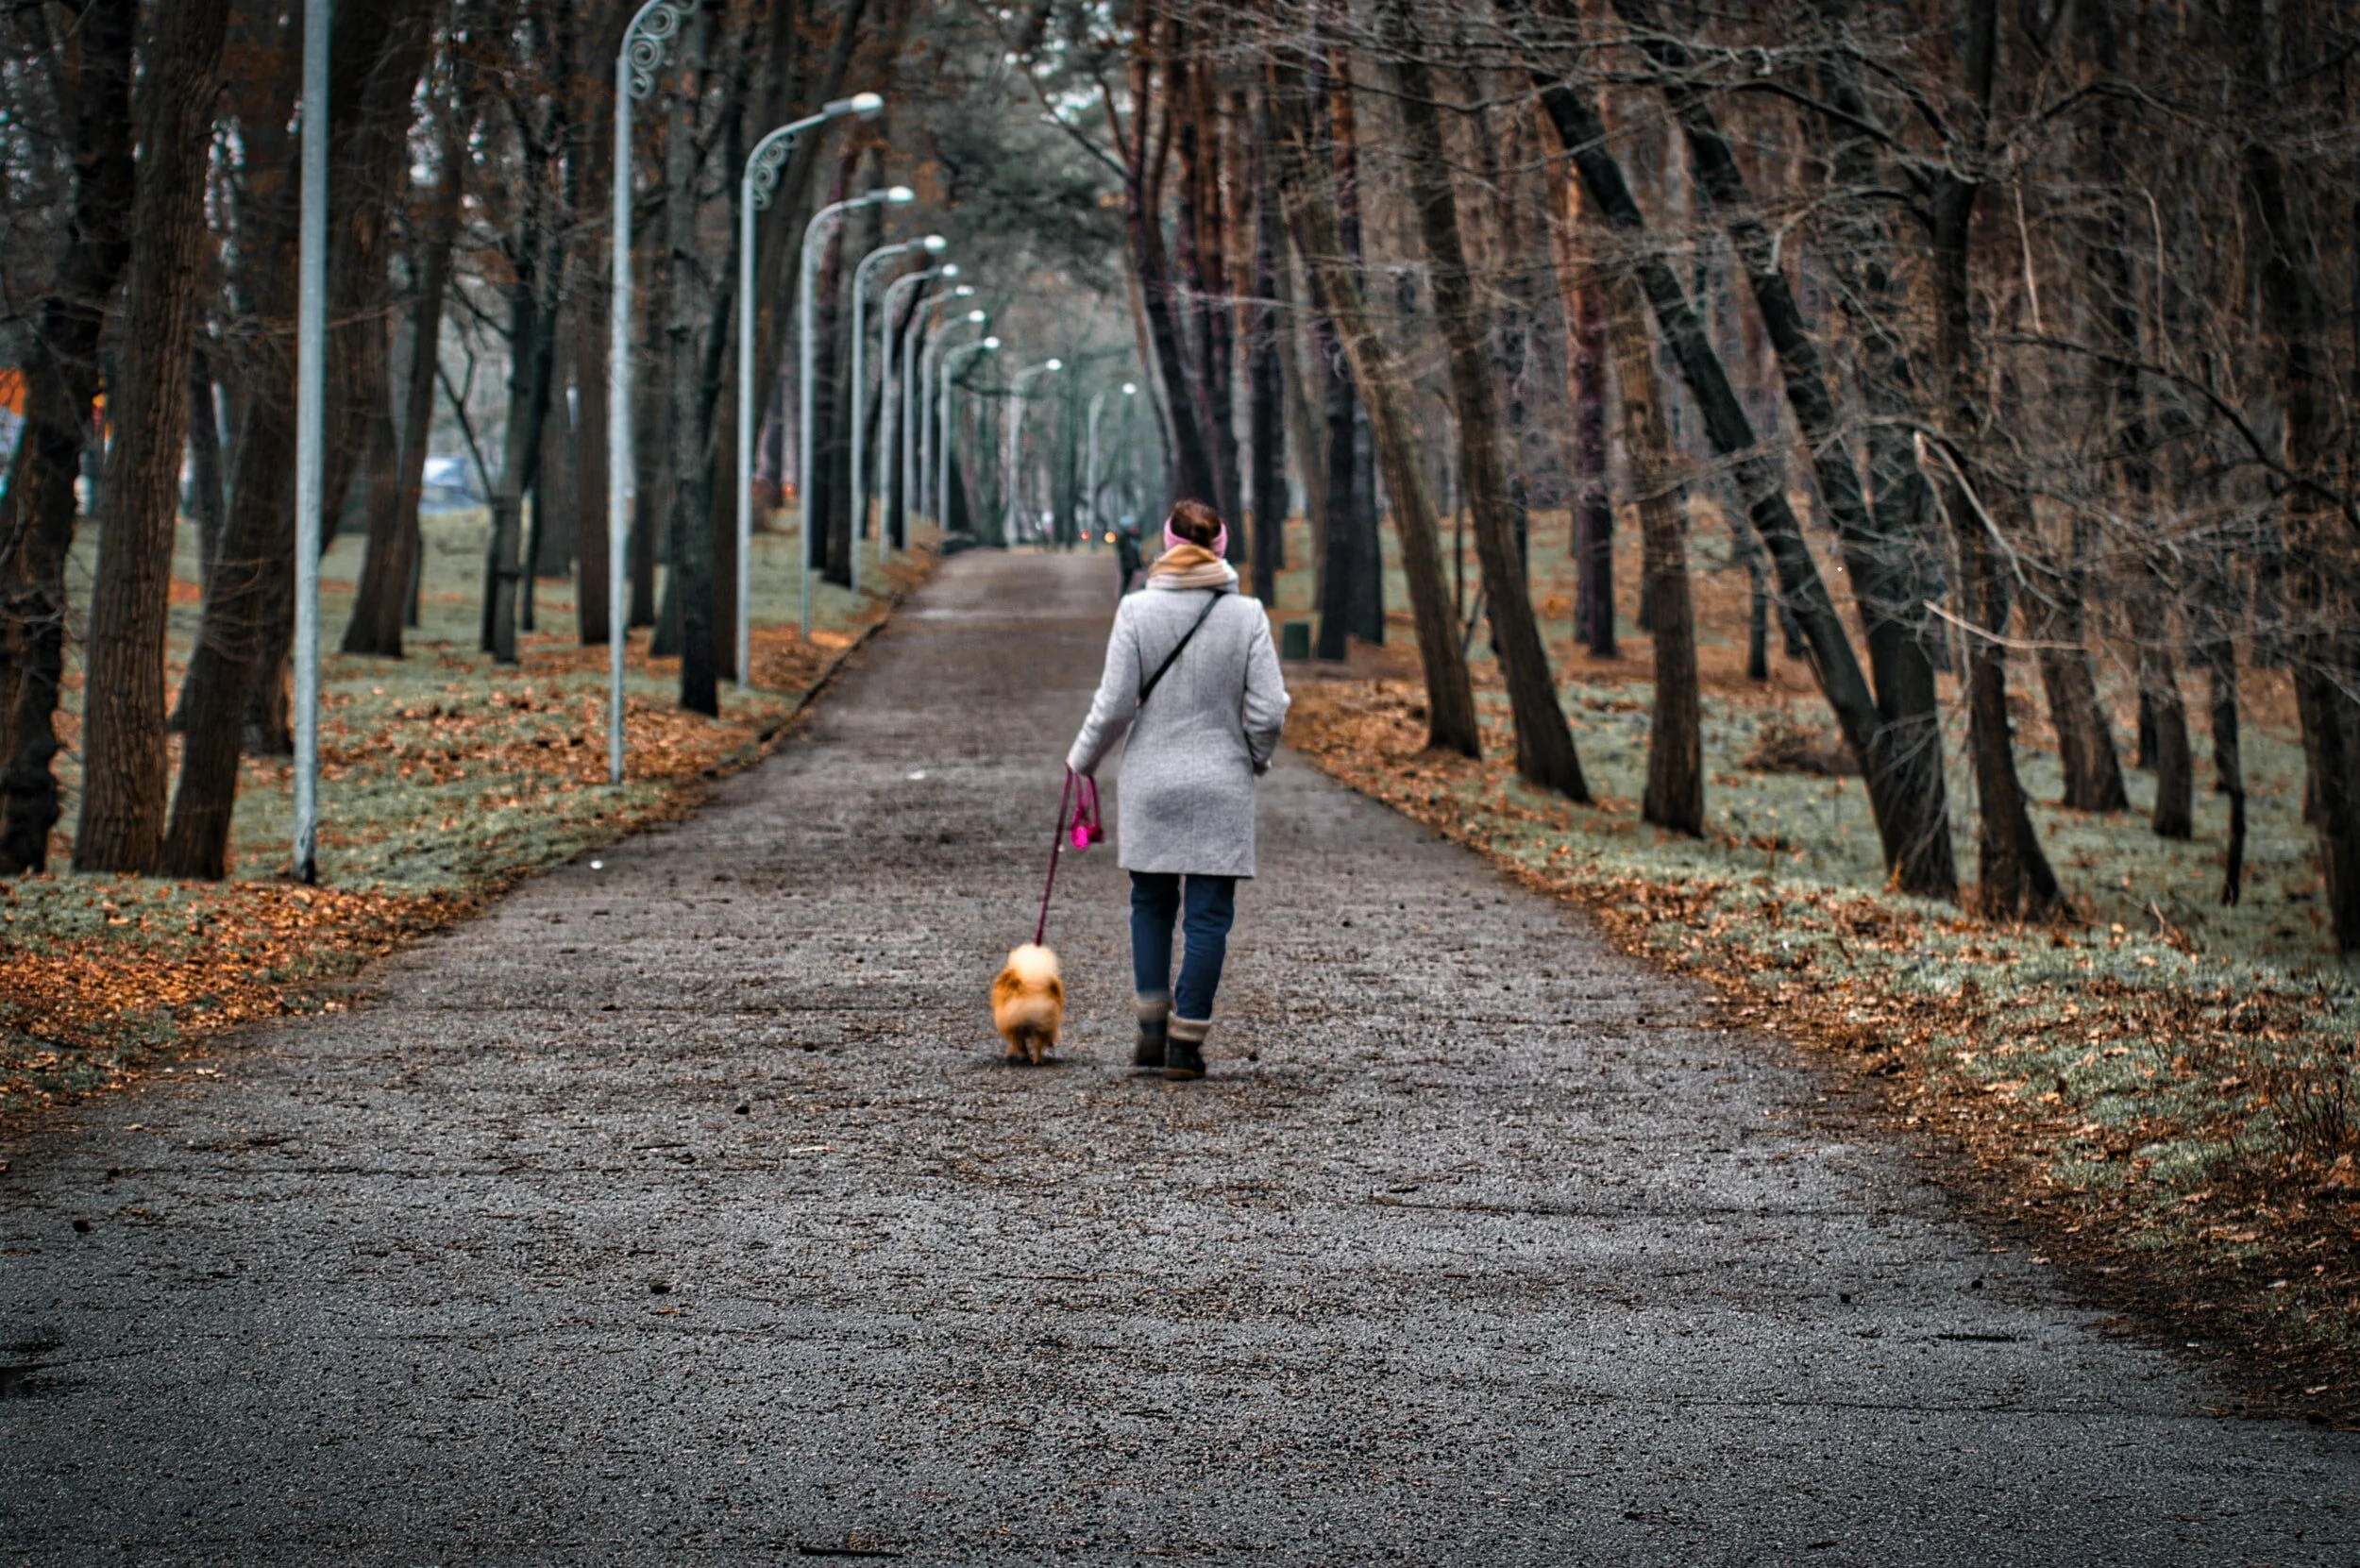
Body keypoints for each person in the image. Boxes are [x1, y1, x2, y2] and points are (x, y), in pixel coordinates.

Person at [1067, 499, 1290, 1080]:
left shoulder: (1136, 611)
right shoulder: (1247, 616)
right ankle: (1186, 1043)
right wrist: (1254, 760)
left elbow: (1114, 705)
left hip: (1152, 780)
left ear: (1167, 546)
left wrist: (1082, 760)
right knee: (1209, 918)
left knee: (1151, 902)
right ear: (1220, 548)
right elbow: (1268, 711)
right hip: (1222, 780)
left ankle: (1150, 1024)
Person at [1113, 514, 1143, 599]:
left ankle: (1124, 595)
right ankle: (1122, 595)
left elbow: (1138, 548)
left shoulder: (1134, 536)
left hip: (1132, 562)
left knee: (1130, 580)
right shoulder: (1123, 537)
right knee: (1126, 580)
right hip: (1127, 564)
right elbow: (1121, 550)